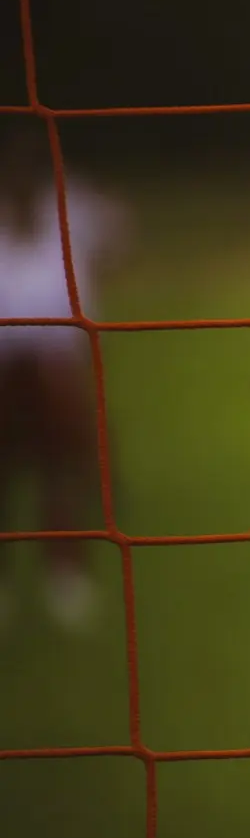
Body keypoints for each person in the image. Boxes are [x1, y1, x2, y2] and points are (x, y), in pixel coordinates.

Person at [0, 127, 126, 632]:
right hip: (6, 362)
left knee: (63, 469)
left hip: (58, 358)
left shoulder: (74, 209)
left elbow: (121, 233)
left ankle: (64, 576)